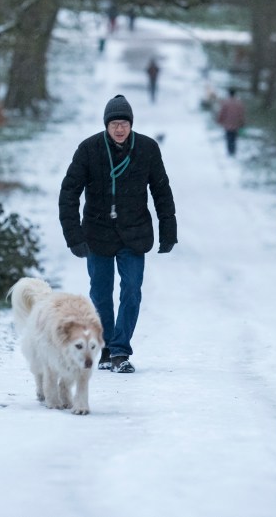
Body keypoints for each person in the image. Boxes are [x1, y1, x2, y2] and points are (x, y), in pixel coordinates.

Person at [59, 94, 177, 374]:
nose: (120, 129)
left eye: (124, 123)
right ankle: (107, 346)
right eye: (114, 124)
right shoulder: (89, 149)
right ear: (106, 125)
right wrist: (73, 236)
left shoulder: (147, 148)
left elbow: (161, 191)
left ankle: (120, 350)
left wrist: (168, 231)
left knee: (132, 291)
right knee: (100, 294)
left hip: (134, 233)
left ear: (131, 124)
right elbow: (69, 193)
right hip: (98, 232)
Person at [216, 87, 246, 156]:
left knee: (228, 137)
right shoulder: (239, 103)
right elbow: (241, 114)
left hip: (227, 123)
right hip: (236, 123)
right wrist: (242, 122)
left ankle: (230, 151)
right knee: (234, 137)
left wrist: (219, 120)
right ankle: (233, 151)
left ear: (229, 94)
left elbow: (222, 113)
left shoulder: (225, 103)